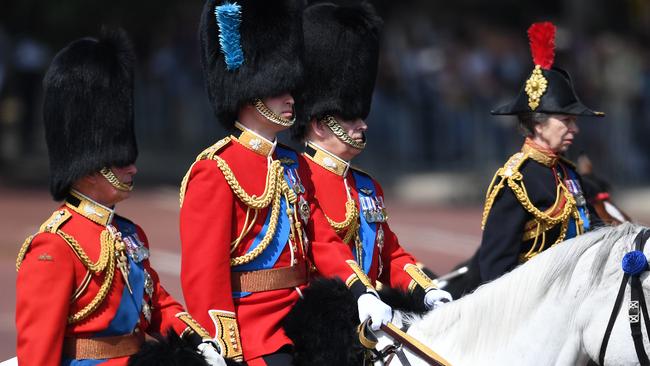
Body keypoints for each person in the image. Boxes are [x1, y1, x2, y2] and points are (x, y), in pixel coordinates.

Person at [180, 1, 392, 365]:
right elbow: (205, 275)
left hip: (304, 323)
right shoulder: (215, 169)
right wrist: (223, 346)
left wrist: (360, 290)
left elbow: (322, 239)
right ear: (251, 92)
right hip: (255, 335)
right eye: (280, 89)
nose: (292, 98)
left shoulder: (293, 164)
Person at [15, 30, 224, 366]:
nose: (133, 169)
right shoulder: (55, 247)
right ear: (89, 166)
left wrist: (197, 339)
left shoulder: (130, 234)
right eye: (120, 159)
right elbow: (39, 353)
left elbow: (157, 304)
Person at [292, 0, 452, 310]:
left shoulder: (366, 186)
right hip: (320, 319)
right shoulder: (297, 178)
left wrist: (426, 288)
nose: (362, 124)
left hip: (369, 313)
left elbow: (389, 255)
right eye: (350, 118)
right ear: (320, 125)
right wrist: (360, 293)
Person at [445, 22, 604, 298]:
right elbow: (495, 271)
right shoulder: (516, 179)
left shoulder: (567, 173)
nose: (575, 129)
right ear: (539, 124)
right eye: (567, 121)